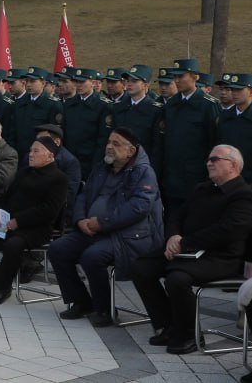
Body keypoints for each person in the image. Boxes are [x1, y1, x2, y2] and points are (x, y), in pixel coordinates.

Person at [130, 144, 252, 354]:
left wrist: (184, 242)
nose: (209, 163)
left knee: (177, 279)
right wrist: (173, 236)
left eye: (214, 159)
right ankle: (168, 326)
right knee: (141, 268)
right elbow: (176, 216)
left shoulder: (244, 195)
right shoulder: (202, 189)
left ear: (233, 165)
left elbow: (227, 231)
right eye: (208, 159)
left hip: (221, 258)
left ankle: (189, 334)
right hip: (187, 251)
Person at [47, 127, 164, 326]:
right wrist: (80, 219)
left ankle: (104, 309)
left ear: (131, 151)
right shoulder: (102, 167)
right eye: (109, 142)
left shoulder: (143, 172)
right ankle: (83, 302)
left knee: (92, 257)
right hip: (94, 229)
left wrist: (101, 223)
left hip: (128, 235)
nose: (109, 147)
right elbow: (84, 195)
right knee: (58, 249)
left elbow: (138, 207)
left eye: (116, 144)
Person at [0, 133, 71, 304]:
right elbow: (6, 197)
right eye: (30, 150)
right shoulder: (24, 172)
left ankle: (1, 287)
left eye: (36, 151)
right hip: (8, 222)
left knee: (13, 244)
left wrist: (18, 221)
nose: (31, 154)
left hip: (35, 228)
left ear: (50, 156)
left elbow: (48, 210)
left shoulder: (59, 178)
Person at [159, 58, 221, 213]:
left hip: (196, 177)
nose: (177, 80)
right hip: (172, 177)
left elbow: (214, 142)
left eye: (181, 76)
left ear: (195, 77)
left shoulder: (208, 105)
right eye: (175, 76)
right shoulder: (171, 104)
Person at [62, 69, 110, 176]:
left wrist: (96, 164)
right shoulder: (69, 104)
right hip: (70, 158)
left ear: (93, 83)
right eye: (77, 81)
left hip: (90, 160)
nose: (78, 85)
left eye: (82, 82)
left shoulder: (103, 105)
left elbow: (103, 139)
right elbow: (64, 132)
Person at [217, 74, 252, 183]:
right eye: (232, 89)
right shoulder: (225, 116)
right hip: (228, 178)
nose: (234, 93)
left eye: (239, 90)